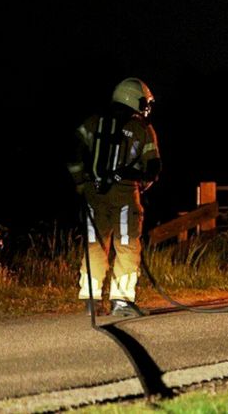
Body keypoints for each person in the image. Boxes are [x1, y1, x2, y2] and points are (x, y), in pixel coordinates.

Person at [67, 78, 161, 317]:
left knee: (94, 244)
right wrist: (142, 183)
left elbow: (73, 150)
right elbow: (153, 167)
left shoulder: (94, 121)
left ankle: (91, 298)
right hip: (125, 194)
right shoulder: (143, 128)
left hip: (93, 193)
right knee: (127, 244)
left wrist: (80, 182)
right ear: (134, 99)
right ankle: (121, 300)